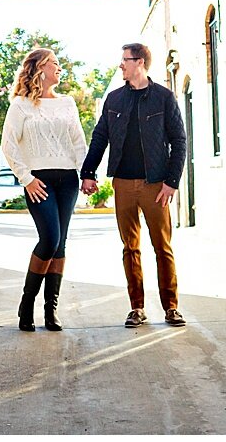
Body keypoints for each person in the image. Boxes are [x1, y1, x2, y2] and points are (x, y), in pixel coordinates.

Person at [81, 42, 187, 328]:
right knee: (130, 247)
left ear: (139, 62)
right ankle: (137, 308)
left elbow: (179, 141)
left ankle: (171, 307)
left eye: (125, 60)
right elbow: (100, 137)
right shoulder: (114, 99)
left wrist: (171, 182)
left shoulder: (163, 98)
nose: (121, 66)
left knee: (162, 246)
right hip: (123, 184)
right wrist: (88, 172)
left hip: (156, 185)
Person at [0, 47, 87, 331]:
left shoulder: (67, 103)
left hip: (68, 180)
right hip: (39, 181)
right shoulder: (20, 105)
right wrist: (26, 178)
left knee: (60, 244)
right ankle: (27, 305)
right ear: (40, 68)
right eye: (55, 64)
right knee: (49, 239)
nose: (59, 69)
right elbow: (9, 144)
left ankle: (51, 310)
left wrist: (86, 174)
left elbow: (78, 142)